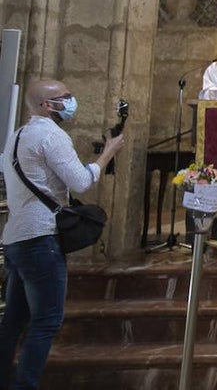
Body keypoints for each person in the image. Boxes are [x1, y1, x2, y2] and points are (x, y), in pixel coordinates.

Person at [0, 79, 126, 388]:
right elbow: (81, 181)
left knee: (13, 322)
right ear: (46, 105)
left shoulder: (17, 135)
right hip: (40, 240)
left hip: (15, 239)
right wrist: (108, 152)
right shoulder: (51, 136)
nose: (71, 100)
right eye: (64, 97)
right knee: (46, 322)